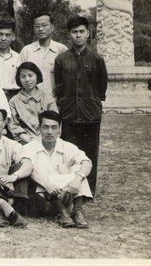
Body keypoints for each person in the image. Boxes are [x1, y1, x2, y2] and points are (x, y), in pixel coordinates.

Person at [54, 16, 107, 196]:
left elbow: (101, 88)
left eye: (81, 31)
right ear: (69, 34)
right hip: (69, 115)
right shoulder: (61, 59)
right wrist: (65, 104)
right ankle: (70, 189)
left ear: (88, 34)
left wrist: (91, 103)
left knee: (90, 154)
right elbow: (59, 87)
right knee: (69, 154)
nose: (78, 35)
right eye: (74, 32)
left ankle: (88, 192)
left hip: (91, 116)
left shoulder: (97, 59)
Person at [20, 111, 93, 228]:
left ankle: (77, 211)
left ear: (60, 129)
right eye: (45, 127)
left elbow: (87, 162)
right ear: (39, 129)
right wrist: (46, 184)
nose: (49, 132)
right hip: (43, 197)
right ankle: (62, 212)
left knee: (79, 168)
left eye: (54, 127)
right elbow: (28, 169)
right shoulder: (29, 148)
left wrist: (77, 179)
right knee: (34, 169)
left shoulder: (67, 146)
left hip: (65, 192)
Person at [19, 12, 68, 98]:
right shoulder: (26, 51)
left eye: (44, 25)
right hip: (32, 100)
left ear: (52, 27)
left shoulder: (62, 50)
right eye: (37, 26)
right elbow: (21, 78)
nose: (40, 29)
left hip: (55, 101)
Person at [8, 61, 58, 145]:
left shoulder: (48, 99)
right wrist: (28, 139)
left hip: (47, 140)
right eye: (23, 76)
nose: (27, 80)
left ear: (37, 76)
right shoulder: (14, 101)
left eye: (30, 75)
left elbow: (55, 121)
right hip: (24, 142)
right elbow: (13, 125)